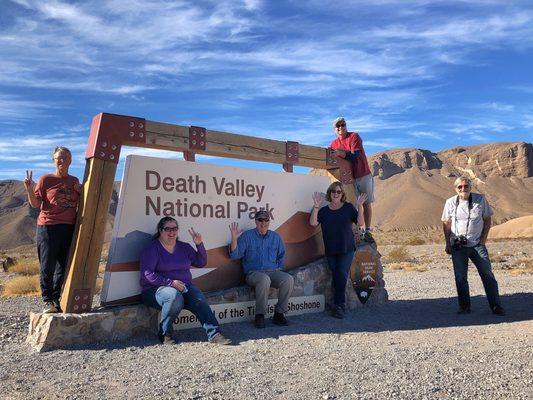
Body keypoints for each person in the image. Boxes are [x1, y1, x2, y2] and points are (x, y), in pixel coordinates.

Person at [139, 217, 232, 345]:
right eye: (168, 229)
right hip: (154, 290)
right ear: (160, 230)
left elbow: (200, 262)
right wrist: (171, 283)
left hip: (184, 287)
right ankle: (165, 333)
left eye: (175, 229)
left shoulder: (184, 247)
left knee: (198, 298)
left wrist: (199, 244)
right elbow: (147, 274)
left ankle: (214, 334)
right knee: (173, 296)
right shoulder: (152, 248)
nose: (172, 232)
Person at [24, 146, 81, 313]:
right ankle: (48, 299)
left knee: (63, 265)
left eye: (65, 157)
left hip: (69, 227)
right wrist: (28, 187)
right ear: (53, 160)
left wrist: (81, 191)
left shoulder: (74, 181)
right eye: (58, 158)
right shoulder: (45, 180)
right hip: (48, 226)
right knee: (47, 264)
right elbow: (35, 204)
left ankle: (57, 298)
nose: (61, 160)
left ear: (70, 160)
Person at [441, 176, 505, 316]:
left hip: (477, 245)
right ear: (456, 189)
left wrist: (483, 240)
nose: (463, 189)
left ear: (470, 187)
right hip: (458, 246)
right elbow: (446, 223)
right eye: (460, 187)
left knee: (487, 274)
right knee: (460, 277)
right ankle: (464, 307)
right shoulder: (450, 202)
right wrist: (447, 243)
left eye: (466, 186)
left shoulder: (480, 200)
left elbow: (487, 219)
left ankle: (496, 306)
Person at [228, 210, 294, 329]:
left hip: (273, 272)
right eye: (260, 220)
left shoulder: (275, 236)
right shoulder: (247, 236)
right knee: (264, 279)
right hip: (253, 274)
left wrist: (279, 267)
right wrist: (234, 239)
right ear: (256, 221)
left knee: (288, 279)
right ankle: (260, 315)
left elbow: (281, 254)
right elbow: (235, 255)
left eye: (266, 219)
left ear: (269, 221)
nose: (263, 222)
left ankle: (279, 314)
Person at [309, 182, 365, 318]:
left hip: (347, 248)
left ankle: (340, 305)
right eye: (333, 191)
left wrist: (359, 206)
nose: (336, 194)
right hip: (331, 249)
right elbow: (313, 223)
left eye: (339, 192)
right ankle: (338, 304)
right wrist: (316, 206)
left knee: (341, 274)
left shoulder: (348, 208)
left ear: (342, 194)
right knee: (336, 275)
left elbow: (360, 223)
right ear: (330, 193)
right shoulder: (324, 211)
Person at [329, 117, 375, 243]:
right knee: (353, 204)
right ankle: (357, 232)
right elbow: (330, 156)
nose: (340, 128)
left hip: (362, 174)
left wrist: (340, 153)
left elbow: (355, 156)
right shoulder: (333, 143)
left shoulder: (354, 137)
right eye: (337, 126)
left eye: (342, 125)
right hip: (348, 178)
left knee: (366, 202)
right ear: (334, 129)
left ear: (346, 125)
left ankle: (368, 231)